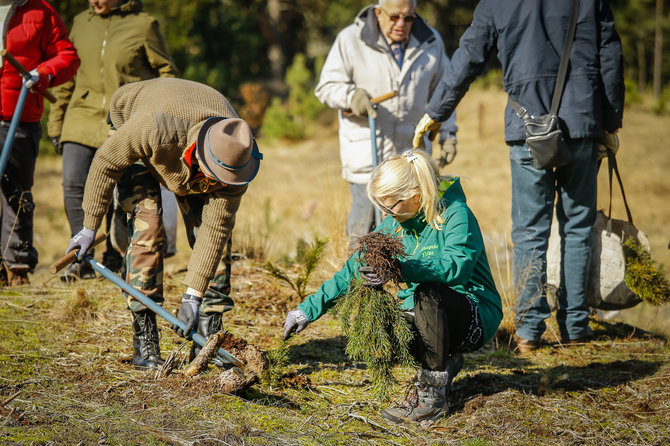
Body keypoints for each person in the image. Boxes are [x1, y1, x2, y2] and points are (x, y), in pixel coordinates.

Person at [413, 0, 624, 352]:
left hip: (526, 128)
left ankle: (527, 331)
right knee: (578, 226)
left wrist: (437, 111)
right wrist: (610, 120)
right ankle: (575, 326)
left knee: (529, 232)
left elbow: (469, 55)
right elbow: (610, 56)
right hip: (583, 124)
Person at [283, 149, 502, 423]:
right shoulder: (395, 223)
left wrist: (400, 268)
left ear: (416, 194)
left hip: (474, 313)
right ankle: (444, 363)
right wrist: (306, 311)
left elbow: (457, 268)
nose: (385, 213)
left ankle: (433, 396)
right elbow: (352, 269)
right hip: (427, 312)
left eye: (391, 206)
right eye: (381, 207)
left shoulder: (456, 214)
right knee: (384, 321)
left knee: (428, 294)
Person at [65, 78, 263, 370]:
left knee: (218, 245)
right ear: (199, 156)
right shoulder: (154, 127)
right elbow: (105, 163)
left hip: (188, 147)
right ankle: (144, 335)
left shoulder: (237, 160)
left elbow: (215, 231)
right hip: (137, 129)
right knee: (149, 225)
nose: (218, 184)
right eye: (214, 177)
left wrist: (192, 297)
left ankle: (207, 336)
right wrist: (89, 227)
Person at [48, 0, 180, 281]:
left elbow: (168, 75)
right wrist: (56, 121)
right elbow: (68, 76)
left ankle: (112, 251)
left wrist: (157, 115)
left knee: (116, 191)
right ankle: (79, 256)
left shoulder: (144, 25)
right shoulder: (81, 23)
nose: (95, 1)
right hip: (81, 115)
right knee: (73, 183)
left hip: (123, 119)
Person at [314, 0, 458, 248]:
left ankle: (411, 284)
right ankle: (360, 283)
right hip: (366, 153)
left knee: (415, 230)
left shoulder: (431, 41)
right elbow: (326, 87)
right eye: (394, 17)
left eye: (409, 18)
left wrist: (448, 133)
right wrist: (351, 97)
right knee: (364, 230)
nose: (402, 24)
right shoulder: (350, 39)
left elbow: (444, 95)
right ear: (378, 13)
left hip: (411, 157)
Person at [0, 0, 79, 286]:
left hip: (19, 115)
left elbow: (67, 56)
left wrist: (43, 73)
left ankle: (16, 269)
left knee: (16, 194)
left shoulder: (40, 11)